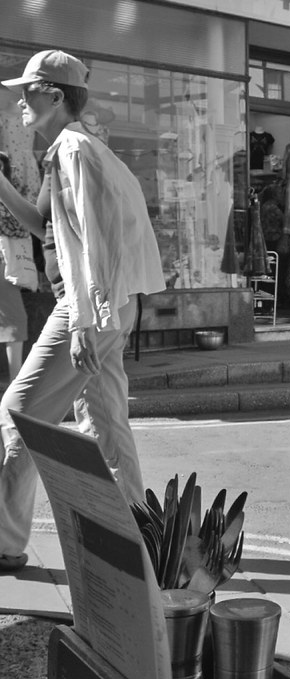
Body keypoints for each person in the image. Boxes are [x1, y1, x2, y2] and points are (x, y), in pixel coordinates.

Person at [0, 50, 165, 572]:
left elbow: (94, 240)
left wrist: (86, 320)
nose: (20, 99)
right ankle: (136, 537)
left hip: (86, 307)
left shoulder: (71, 149)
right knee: (107, 425)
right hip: (107, 305)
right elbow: (44, 226)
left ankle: (4, 542)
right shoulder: (77, 149)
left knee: (15, 415)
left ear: (54, 95)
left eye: (28, 90)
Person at [0, 152, 33, 383]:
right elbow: (22, 226)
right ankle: (15, 381)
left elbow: (23, 226)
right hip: (5, 264)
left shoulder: (9, 196)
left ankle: (15, 380)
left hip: (6, 263)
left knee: (14, 320)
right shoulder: (9, 198)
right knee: (14, 320)